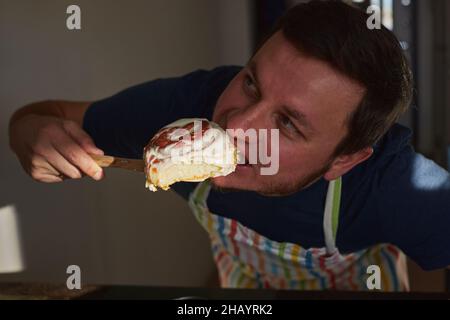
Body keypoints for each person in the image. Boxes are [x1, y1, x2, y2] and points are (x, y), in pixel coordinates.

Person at [8, 1, 450, 291]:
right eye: (252, 83)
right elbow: (44, 115)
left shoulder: (395, 186)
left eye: (289, 124)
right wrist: (29, 132)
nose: (236, 124)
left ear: (344, 160)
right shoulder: (184, 108)